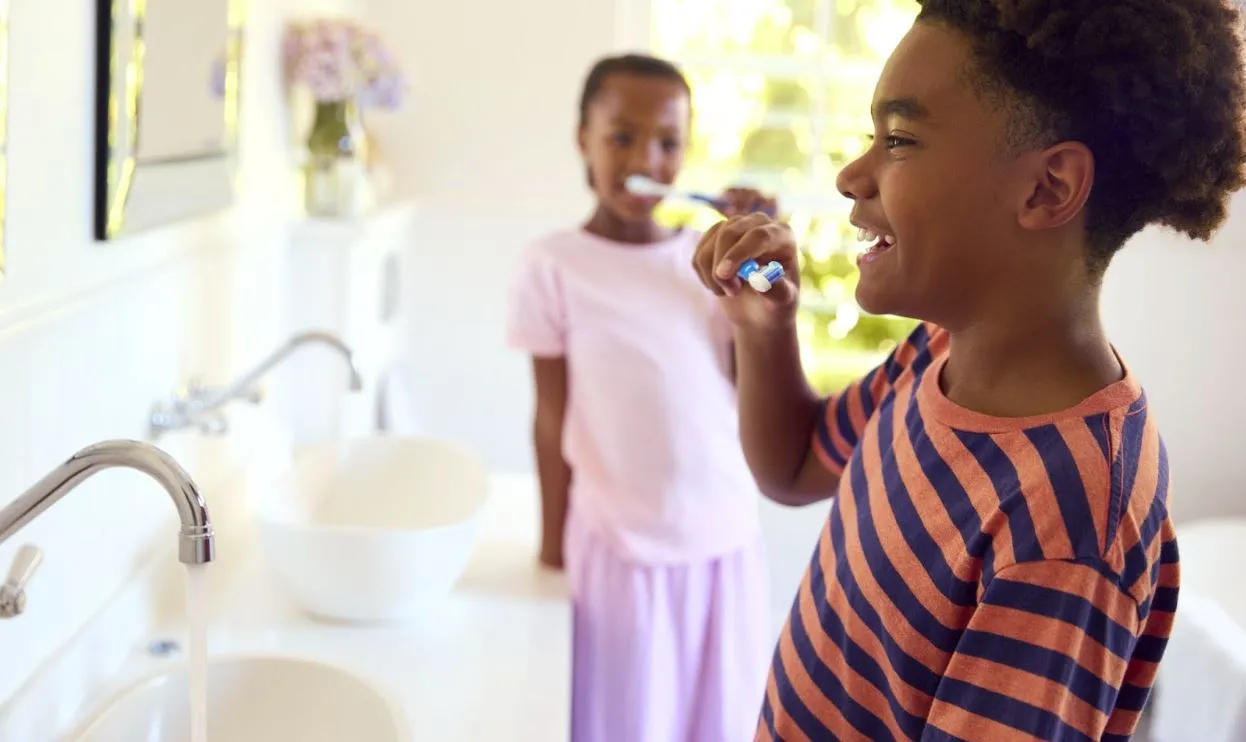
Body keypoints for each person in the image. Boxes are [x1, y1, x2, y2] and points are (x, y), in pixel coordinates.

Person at [692, 0, 1246, 739]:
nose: (852, 176)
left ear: (1048, 188)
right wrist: (764, 328)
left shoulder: (1068, 522)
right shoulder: (939, 350)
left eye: (899, 139)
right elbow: (793, 466)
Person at [506, 53, 778, 742]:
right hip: (616, 554)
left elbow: (756, 390)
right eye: (622, 136)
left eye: (667, 143)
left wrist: (757, 268)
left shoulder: (712, 263)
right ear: (583, 139)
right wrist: (550, 552)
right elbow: (550, 417)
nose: (646, 160)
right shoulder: (553, 265)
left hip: (722, 544)